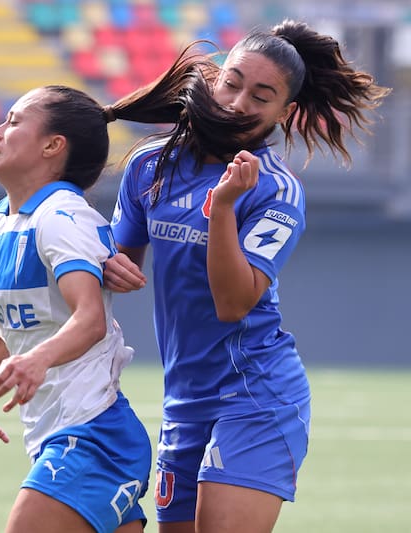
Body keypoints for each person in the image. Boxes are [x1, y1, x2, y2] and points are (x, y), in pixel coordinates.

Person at [99, 20, 390, 533]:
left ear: (286, 112)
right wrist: (97, 261)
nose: (237, 103)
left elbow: (233, 303)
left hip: (257, 394)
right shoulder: (150, 164)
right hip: (183, 398)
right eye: (232, 83)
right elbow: (117, 268)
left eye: (261, 96)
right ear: (214, 79)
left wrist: (224, 209)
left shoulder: (275, 191)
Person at [0, 85, 152, 533]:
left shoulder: (62, 217)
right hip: (61, 437)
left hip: (93, 437)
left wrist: (39, 359)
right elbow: (12, 333)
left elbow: (91, 319)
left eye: (12, 122)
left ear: (52, 145)